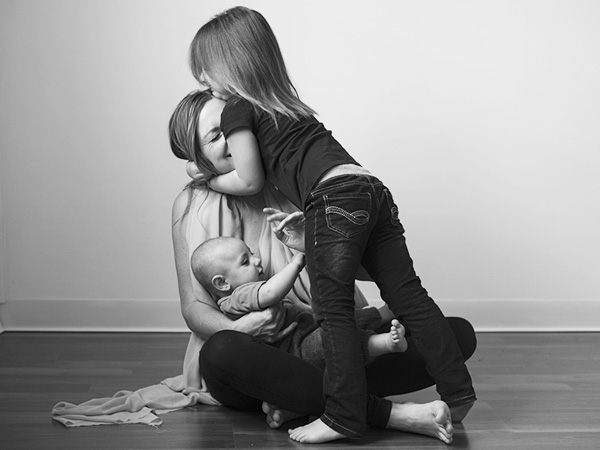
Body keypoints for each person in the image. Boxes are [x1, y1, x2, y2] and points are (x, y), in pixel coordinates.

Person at [189, 6, 476, 443]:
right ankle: (458, 392)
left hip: (332, 200)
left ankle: (343, 416)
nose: (205, 81)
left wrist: (207, 175)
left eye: (206, 71)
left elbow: (248, 178)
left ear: (230, 66)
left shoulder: (236, 109)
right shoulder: (288, 104)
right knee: (409, 295)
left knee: (334, 310)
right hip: (370, 189)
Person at [191, 235, 407, 369]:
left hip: (305, 331)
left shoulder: (245, 290)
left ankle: (384, 313)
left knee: (342, 321)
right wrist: (295, 263)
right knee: (333, 342)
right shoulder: (238, 297)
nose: (257, 260)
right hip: (296, 349)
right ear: (221, 283)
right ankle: (385, 344)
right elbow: (271, 293)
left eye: (252, 253)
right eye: (245, 261)